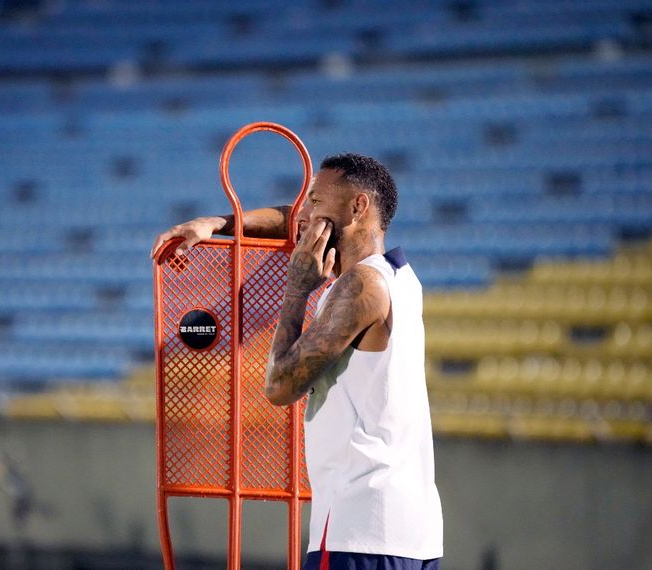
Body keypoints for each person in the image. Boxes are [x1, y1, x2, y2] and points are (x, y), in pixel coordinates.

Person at [151, 153, 443, 570]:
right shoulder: (398, 275)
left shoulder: (361, 285)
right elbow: (295, 220)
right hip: (407, 531)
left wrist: (296, 288)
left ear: (358, 207)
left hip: (361, 529)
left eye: (317, 202)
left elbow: (281, 386)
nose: (304, 215)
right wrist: (220, 223)